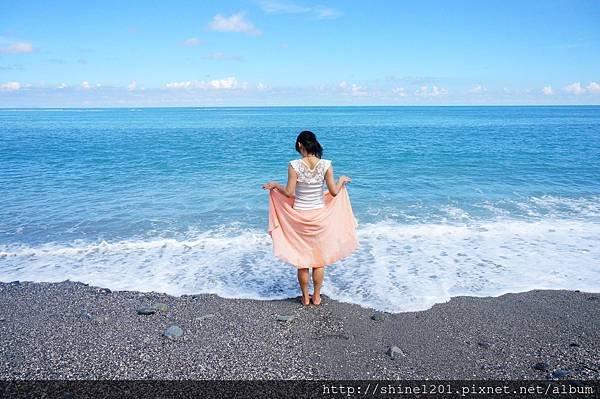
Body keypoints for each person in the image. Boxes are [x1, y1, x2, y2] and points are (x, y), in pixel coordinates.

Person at [262, 130, 359, 306]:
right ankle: (316, 296)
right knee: (318, 260)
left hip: (299, 218)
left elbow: (289, 192)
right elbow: (334, 192)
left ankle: (305, 298)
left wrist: (275, 185)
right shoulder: (326, 165)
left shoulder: (294, 165)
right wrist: (341, 180)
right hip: (320, 217)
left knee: (302, 260)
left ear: (300, 145)